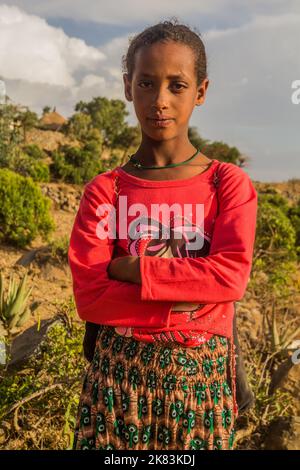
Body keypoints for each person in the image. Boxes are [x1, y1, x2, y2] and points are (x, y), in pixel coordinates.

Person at [68, 19, 258, 451]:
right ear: (127, 86)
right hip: (116, 387)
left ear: (201, 91)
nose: (159, 100)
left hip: (201, 388)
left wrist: (134, 268)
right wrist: (190, 298)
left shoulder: (226, 185)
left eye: (177, 85)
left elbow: (230, 278)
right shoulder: (106, 191)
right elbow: (91, 296)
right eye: (147, 83)